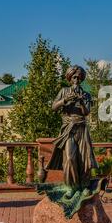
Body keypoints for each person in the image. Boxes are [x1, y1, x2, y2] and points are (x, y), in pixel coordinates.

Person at [46, 65, 98, 198]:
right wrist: (65, 100)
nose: (76, 79)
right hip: (68, 129)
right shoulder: (64, 91)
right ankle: (71, 187)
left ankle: (84, 185)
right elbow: (53, 107)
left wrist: (81, 101)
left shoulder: (86, 94)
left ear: (81, 79)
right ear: (70, 78)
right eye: (74, 77)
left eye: (79, 77)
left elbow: (86, 112)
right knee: (69, 158)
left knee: (85, 159)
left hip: (81, 128)